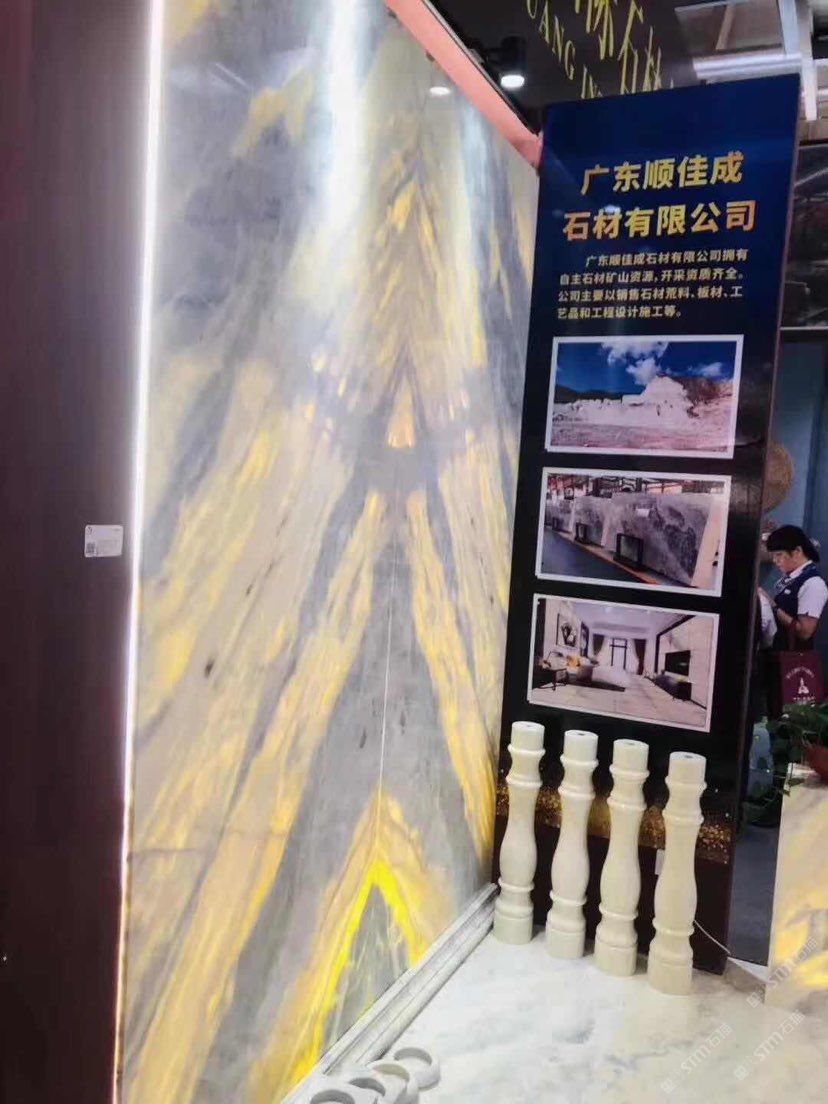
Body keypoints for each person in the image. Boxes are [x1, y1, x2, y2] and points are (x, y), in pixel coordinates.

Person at [761, 525, 828, 650]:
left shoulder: (813, 584)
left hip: (791, 656)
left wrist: (773, 607)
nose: (775, 560)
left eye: (779, 555)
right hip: (774, 651)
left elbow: (804, 632)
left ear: (797, 551)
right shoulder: (789, 577)